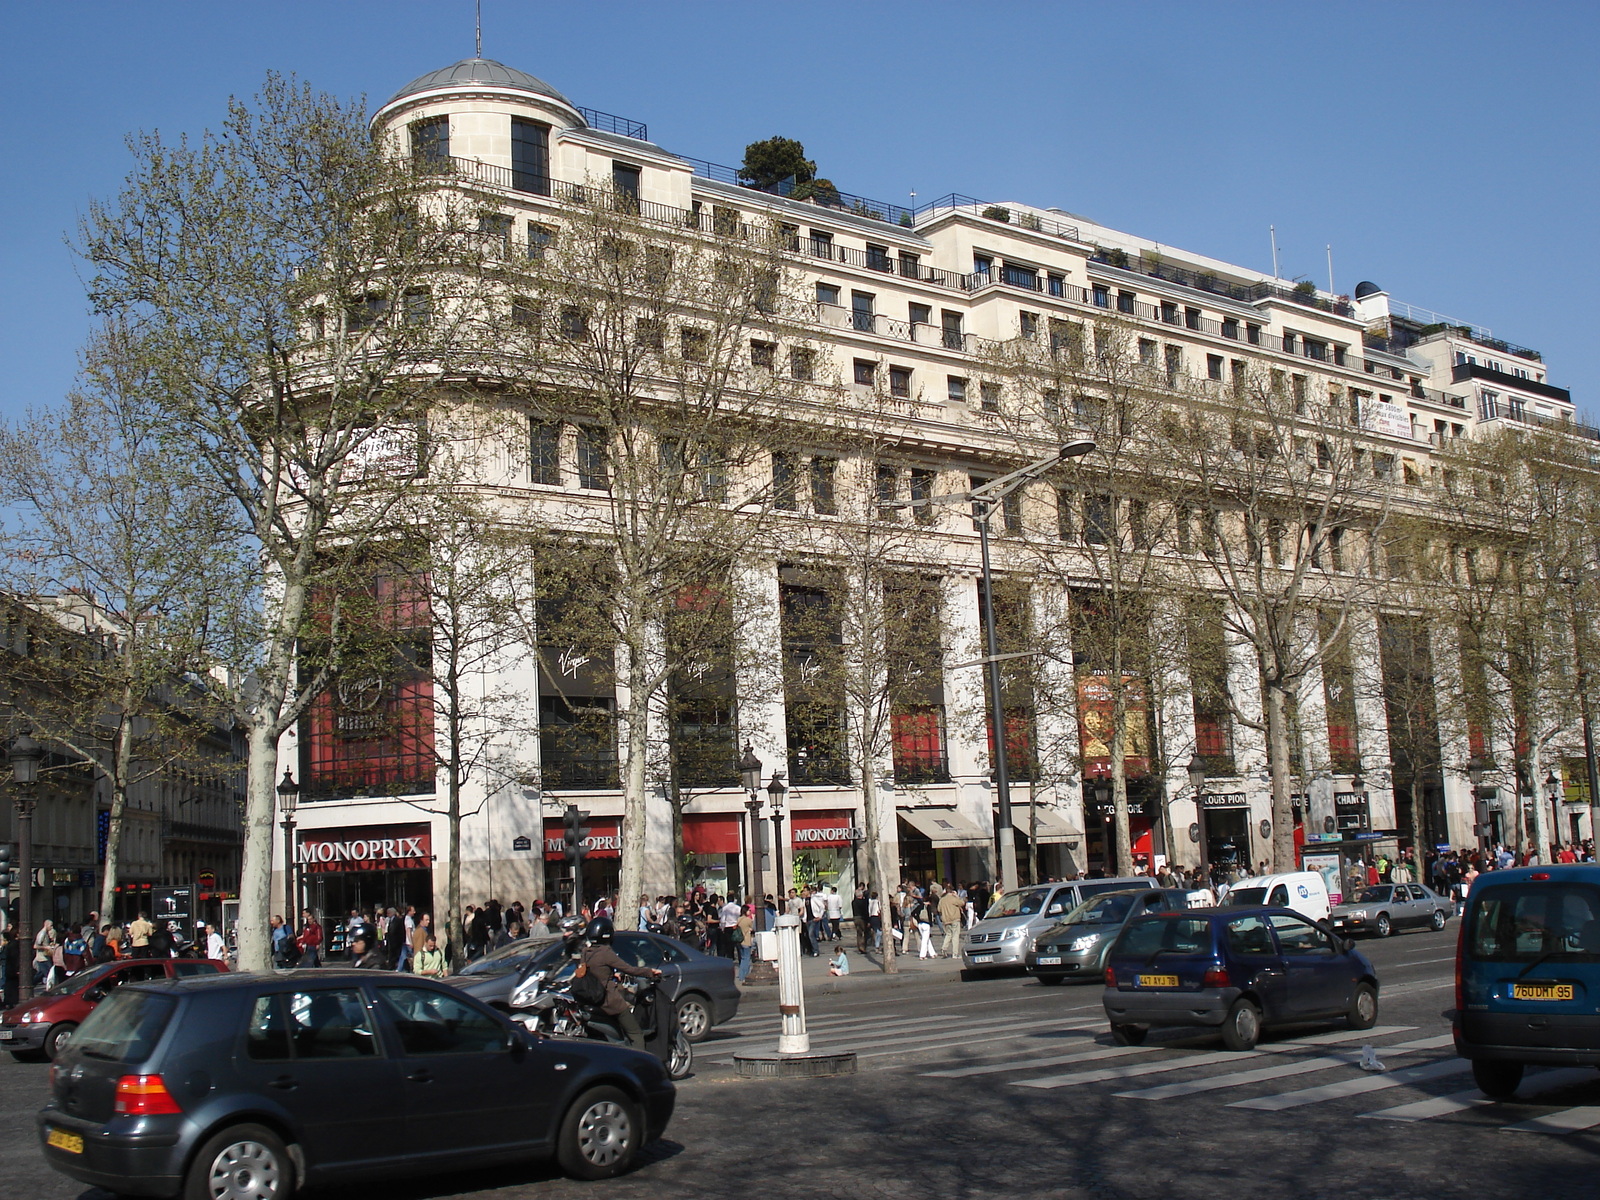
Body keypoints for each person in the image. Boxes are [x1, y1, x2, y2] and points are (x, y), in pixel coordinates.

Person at [579, 917, 661, 1051]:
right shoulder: (606, 952)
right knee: (636, 1033)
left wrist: (612, 974)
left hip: (591, 999)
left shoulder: (586, 952)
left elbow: (592, 971)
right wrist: (650, 972)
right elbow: (630, 969)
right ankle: (640, 1062)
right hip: (609, 1000)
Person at [938, 886, 965, 958]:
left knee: (948, 934)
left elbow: (939, 909)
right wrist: (957, 896)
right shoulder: (954, 899)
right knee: (955, 936)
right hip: (954, 919)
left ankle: (944, 948)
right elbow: (962, 903)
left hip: (946, 919)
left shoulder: (942, 900)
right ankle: (955, 953)